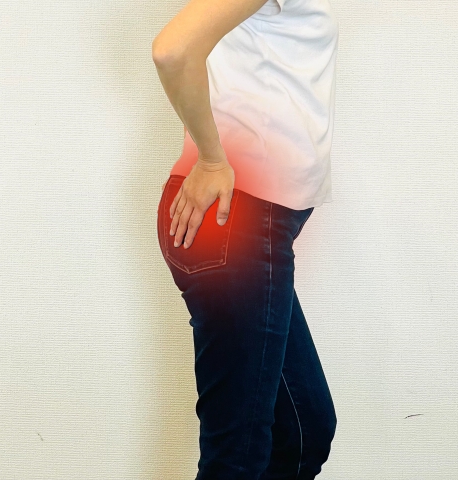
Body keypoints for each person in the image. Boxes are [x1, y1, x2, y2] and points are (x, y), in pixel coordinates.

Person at [152, 0, 339, 477]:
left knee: (303, 432)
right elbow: (172, 50)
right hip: (237, 222)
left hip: (253, 226)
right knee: (236, 458)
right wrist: (212, 159)